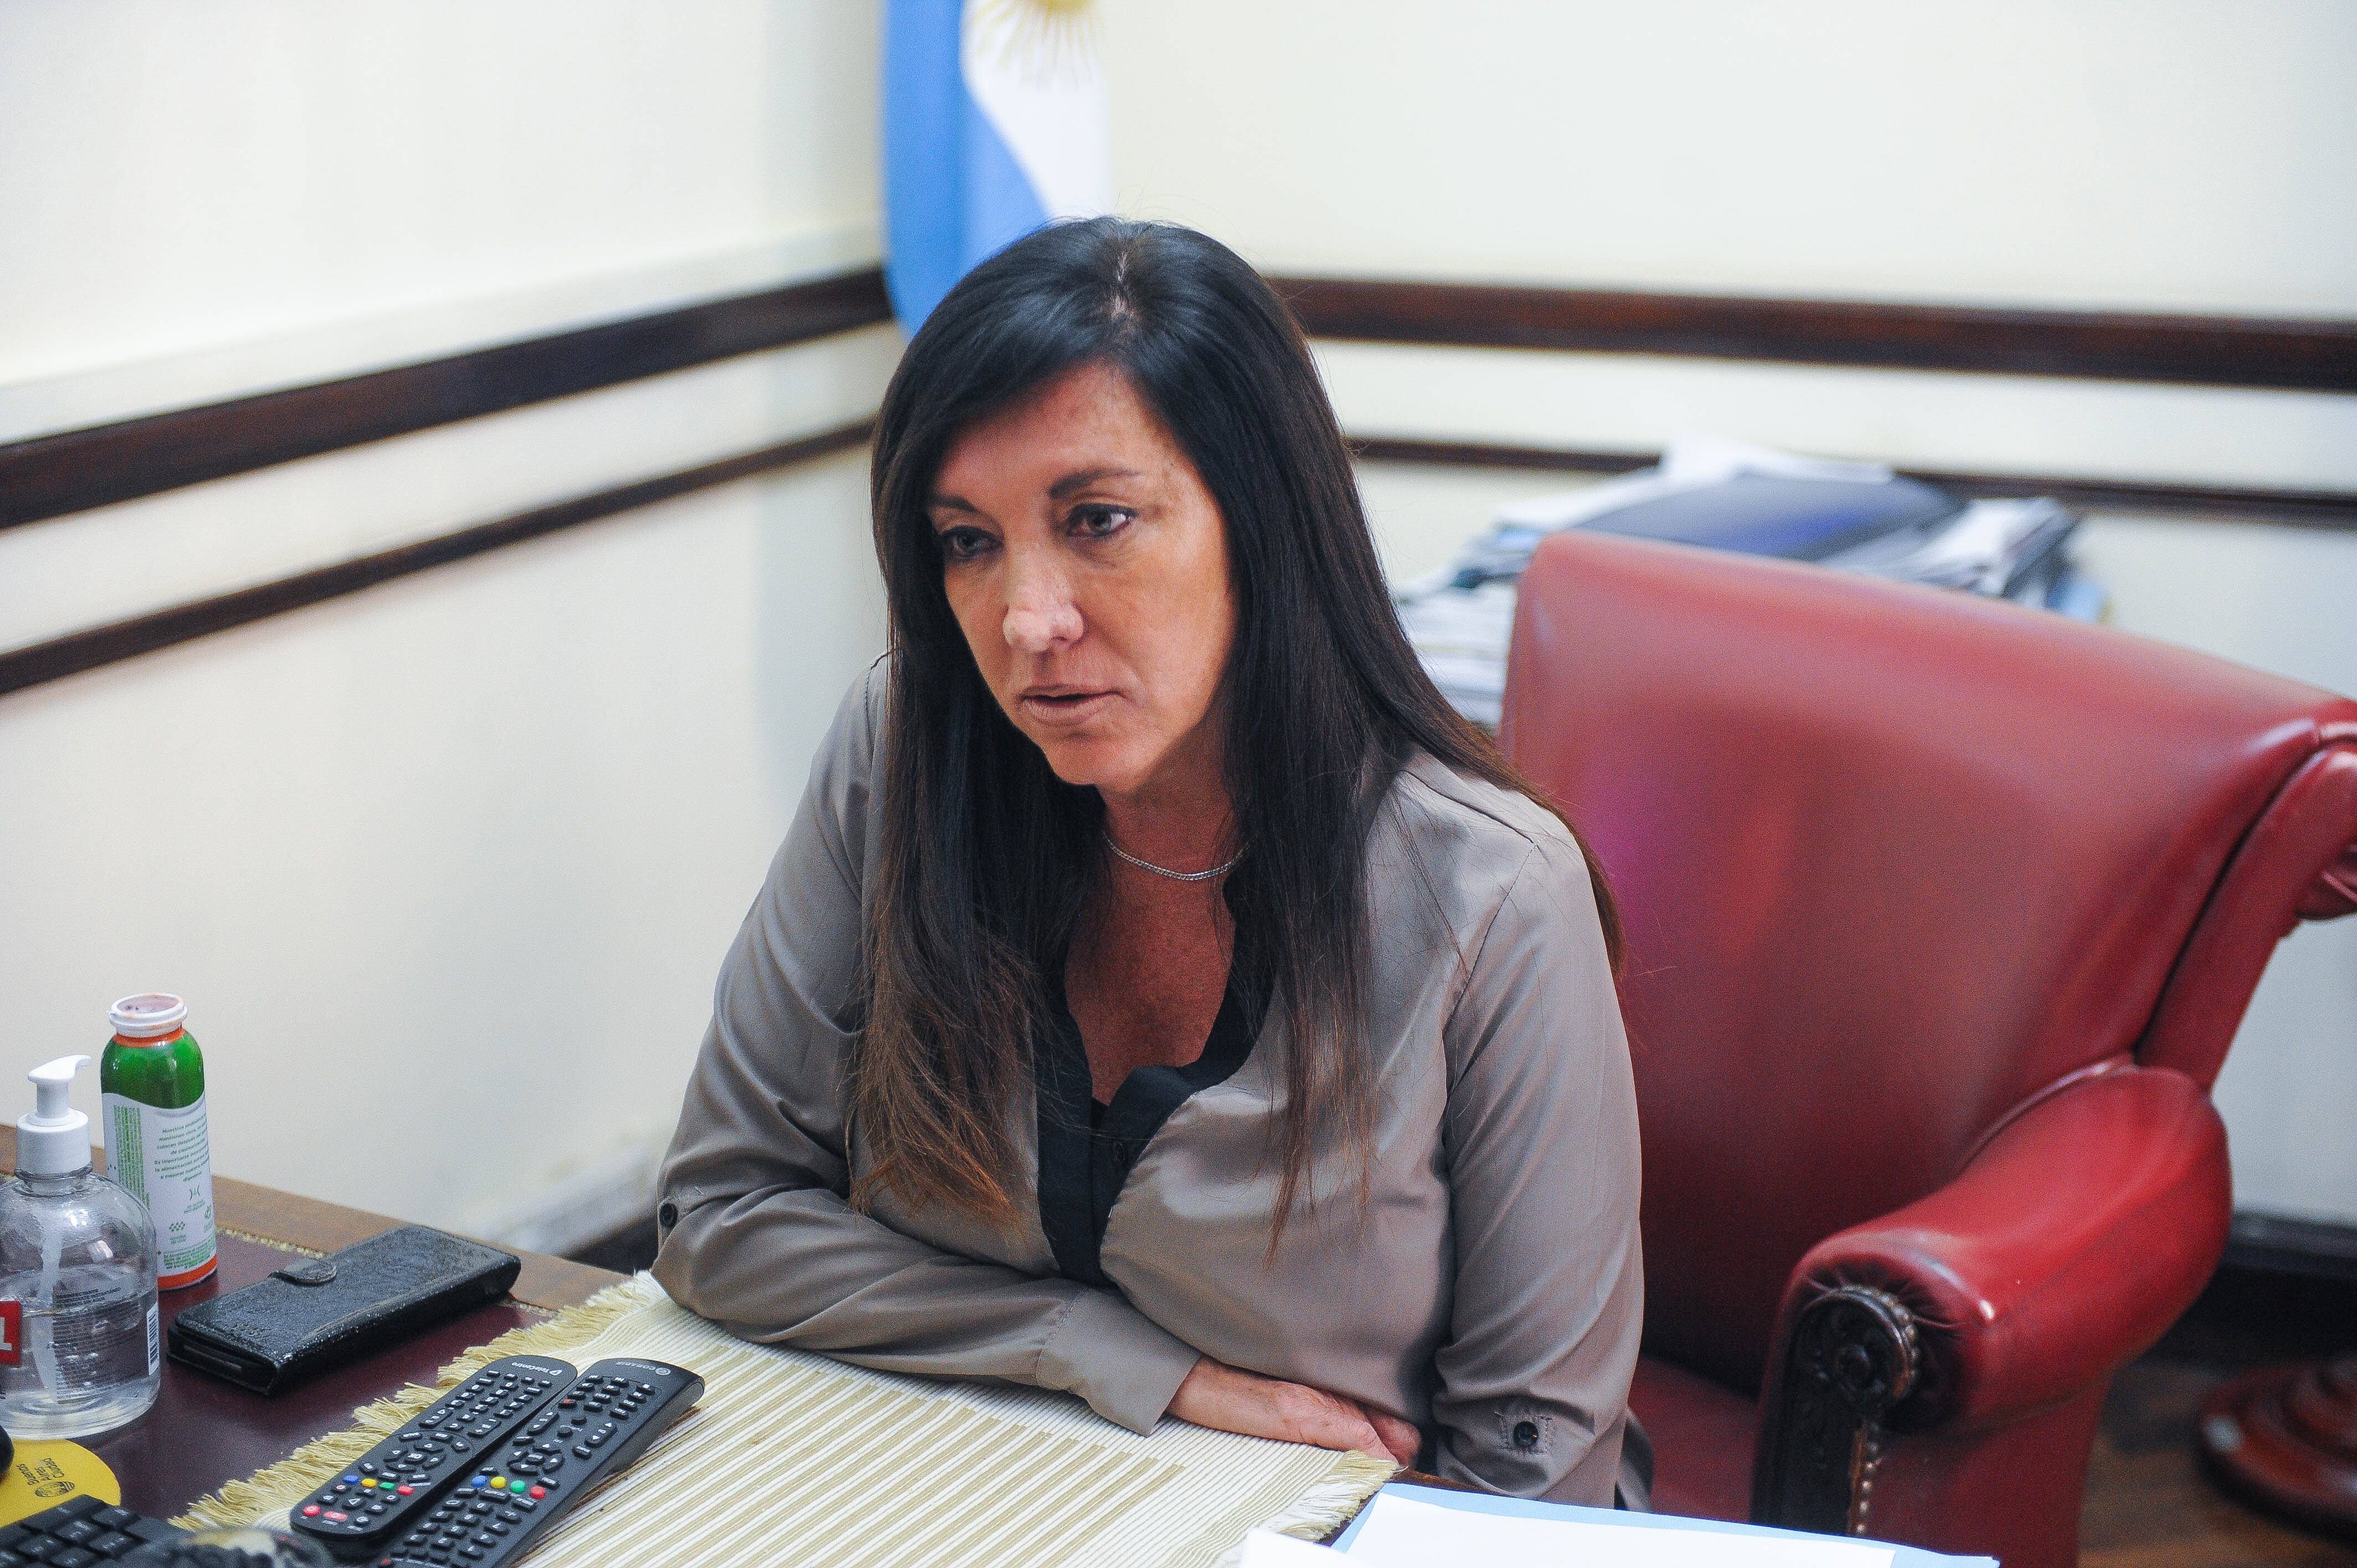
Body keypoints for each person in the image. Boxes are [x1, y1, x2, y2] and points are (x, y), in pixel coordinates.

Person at [652, 217, 1647, 1506]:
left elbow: (1537, 1472)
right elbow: (721, 1214)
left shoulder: (1493, 889)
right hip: (973, 1496)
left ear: (1264, 523)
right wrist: (1111, 1359)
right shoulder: (905, 752)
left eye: (1099, 520)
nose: (1027, 621)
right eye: (968, 541)